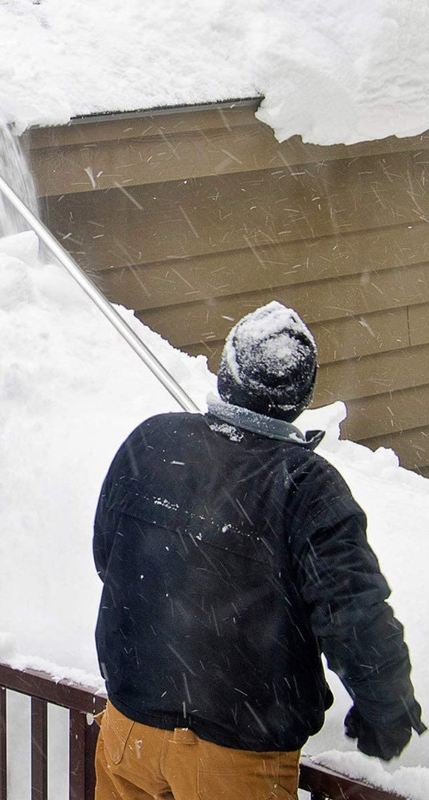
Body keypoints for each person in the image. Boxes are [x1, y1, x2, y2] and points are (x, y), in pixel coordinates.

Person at [92, 301, 424, 800]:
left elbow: (107, 556)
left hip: (129, 734)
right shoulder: (306, 485)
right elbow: (351, 610)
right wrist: (386, 708)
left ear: (228, 374)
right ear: (299, 397)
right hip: (235, 759)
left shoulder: (151, 441)